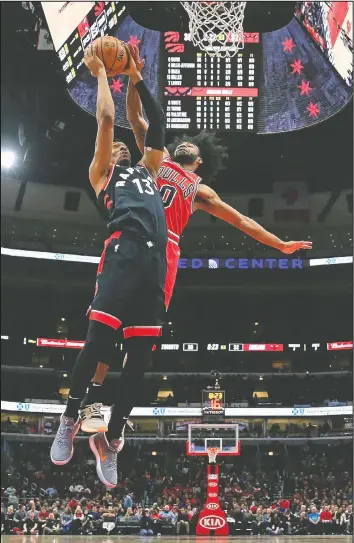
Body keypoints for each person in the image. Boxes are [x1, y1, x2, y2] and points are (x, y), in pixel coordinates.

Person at [79, 44, 313, 432]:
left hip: (165, 251)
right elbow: (138, 120)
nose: (187, 144)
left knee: (139, 335)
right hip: (133, 235)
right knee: (106, 323)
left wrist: (281, 245)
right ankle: (93, 397)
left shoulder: (201, 191)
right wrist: (134, 75)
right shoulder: (159, 159)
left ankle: (116, 414)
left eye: (195, 147)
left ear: (200, 160)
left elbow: (242, 221)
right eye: (184, 141)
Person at [50, 42, 167, 491]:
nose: (119, 145)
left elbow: (155, 125)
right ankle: (69, 419)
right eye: (114, 146)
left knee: (139, 361)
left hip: (154, 260)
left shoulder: (150, 169)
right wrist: (102, 72)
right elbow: (104, 119)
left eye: (123, 145)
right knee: (99, 341)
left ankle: (112, 438)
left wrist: (135, 73)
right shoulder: (102, 173)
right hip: (123, 251)